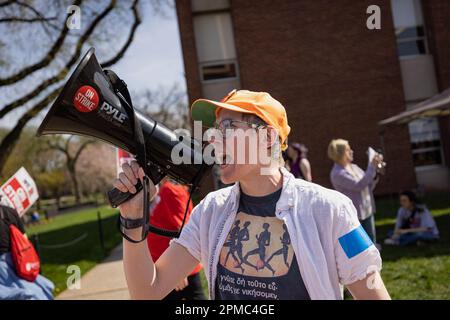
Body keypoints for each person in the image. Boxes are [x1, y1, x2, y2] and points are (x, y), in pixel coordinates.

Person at [114, 89, 390, 300]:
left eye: (229, 128)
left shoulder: (330, 209)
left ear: (268, 138)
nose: (212, 138)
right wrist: (133, 219)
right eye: (214, 130)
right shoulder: (210, 211)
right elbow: (148, 292)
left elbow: (371, 291)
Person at [146, 178, 206, 300]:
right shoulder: (164, 190)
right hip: (165, 268)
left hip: (174, 268)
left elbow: (184, 230)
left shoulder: (170, 190)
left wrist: (178, 270)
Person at [328, 139, 383, 245]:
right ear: (340, 154)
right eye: (348, 150)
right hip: (354, 215)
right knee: (360, 246)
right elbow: (359, 185)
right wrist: (371, 166)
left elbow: (367, 185)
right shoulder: (337, 173)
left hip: (367, 210)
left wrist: (375, 172)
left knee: (371, 242)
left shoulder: (354, 167)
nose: (352, 151)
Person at [0, 203, 54, 300]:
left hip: (2, 267)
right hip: (18, 258)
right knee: (30, 286)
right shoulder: (10, 211)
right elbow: (24, 238)